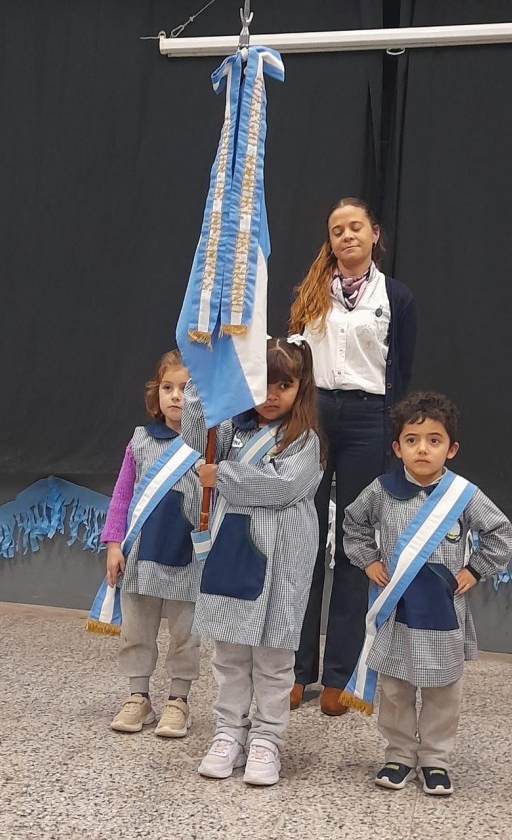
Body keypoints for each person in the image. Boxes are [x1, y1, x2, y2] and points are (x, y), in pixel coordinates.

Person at [341, 392, 512, 795]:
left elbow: (500, 533)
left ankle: (435, 759)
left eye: (434, 440)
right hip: (397, 611)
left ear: (451, 449)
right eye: (412, 440)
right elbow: (353, 524)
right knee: (396, 688)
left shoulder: (464, 495)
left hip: (443, 613)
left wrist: (475, 568)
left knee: (442, 689)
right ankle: (399, 754)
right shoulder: (381, 491)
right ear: (397, 447)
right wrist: (367, 560)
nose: (423, 449)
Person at [289, 197, 417, 715]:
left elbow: (401, 370)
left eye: (355, 227)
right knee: (304, 536)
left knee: (351, 544)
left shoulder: (398, 297)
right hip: (316, 414)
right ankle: (297, 671)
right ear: (330, 239)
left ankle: (339, 675)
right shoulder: (310, 294)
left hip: (368, 419)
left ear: (374, 234)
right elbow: (293, 360)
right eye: (337, 229)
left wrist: (391, 428)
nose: (346, 236)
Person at [181, 337, 323, 786]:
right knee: (229, 653)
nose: (271, 394)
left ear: (301, 387)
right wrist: (205, 379)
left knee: (274, 658)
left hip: (281, 562)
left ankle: (267, 738)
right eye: (262, 383)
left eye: (284, 384)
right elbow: (194, 435)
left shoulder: (305, 442)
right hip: (233, 552)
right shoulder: (229, 429)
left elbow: (280, 488)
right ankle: (228, 732)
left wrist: (221, 475)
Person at [102, 350, 202, 738]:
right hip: (141, 555)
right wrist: (114, 543)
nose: (176, 396)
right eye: (168, 387)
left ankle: (179, 701)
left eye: (186, 389)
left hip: (189, 557)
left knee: (185, 632)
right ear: (155, 394)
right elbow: (122, 496)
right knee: (136, 629)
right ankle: (138, 697)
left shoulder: (207, 443)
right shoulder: (141, 440)